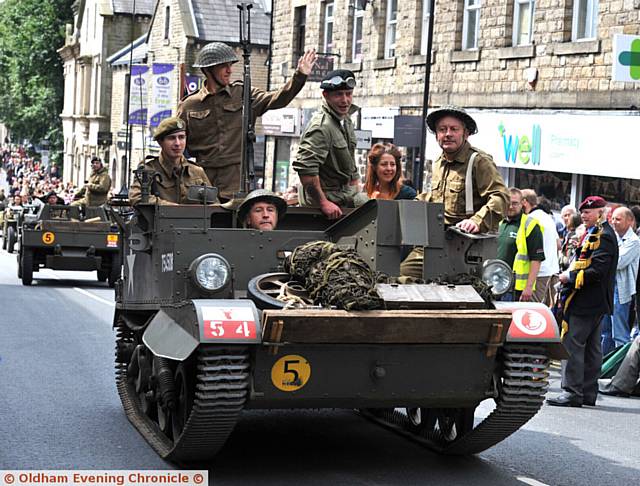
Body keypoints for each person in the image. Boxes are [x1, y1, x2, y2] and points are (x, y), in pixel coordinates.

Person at [177, 42, 317, 200]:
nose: (229, 70)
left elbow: (278, 99)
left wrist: (300, 76)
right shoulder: (189, 105)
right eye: (223, 66)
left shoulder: (243, 94)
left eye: (230, 65)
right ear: (208, 69)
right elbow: (175, 142)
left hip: (238, 183)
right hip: (202, 183)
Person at [399, 105, 509, 278]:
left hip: (467, 245)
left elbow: (501, 197)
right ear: (437, 135)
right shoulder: (438, 163)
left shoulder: (479, 161)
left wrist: (476, 221)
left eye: (453, 129)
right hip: (434, 240)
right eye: (442, 130)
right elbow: (436, 197)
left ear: (465, 134)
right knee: (400, 278)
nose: (447, 134)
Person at [547, 196, 618, 407]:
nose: (584, 215)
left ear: (600, 212)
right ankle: (587, 392)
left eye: (589, 212)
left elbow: (597, 270)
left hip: (586, 299)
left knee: (572, 344)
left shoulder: (603, 235)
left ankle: (572, 392)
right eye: (583, 212)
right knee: (591, 348)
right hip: (592, 301)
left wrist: (568, 277)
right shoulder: (596, 233)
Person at [294, 69, 368, 219]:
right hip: (324, 205)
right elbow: (307, 171)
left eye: (348, 94)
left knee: (369, 205)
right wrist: (323, 203)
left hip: (343, 197)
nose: (345, 100)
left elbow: (349, 160)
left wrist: (355, 184)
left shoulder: (344, 119)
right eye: (338, 94)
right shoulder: (321, 127)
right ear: (325, 96)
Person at [129, 117, 212, 205]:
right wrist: (172, 208)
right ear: (160, 142)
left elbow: (213, 205)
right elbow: (137, 197)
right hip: (158, 218)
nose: (177, 143)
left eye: (181, 137)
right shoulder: (149, 169)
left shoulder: (196, 171)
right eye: (171, 138)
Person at [600, 207, 640, 355]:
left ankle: (619, 371)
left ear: (630, 221)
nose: (613, 222)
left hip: (621, 291)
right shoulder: (612, 237)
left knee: (619, 333)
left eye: (618, 219)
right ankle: (604, 367)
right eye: (613, 218)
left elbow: (619, 262)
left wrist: (603, 258)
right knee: (605, 332)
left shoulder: (634, 241)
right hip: (608, 287)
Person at [498, 188, 545, 301]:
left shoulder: (530, 225)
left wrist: (528, 288)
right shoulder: (499, 223)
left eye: (515, 203)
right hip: (496, 283)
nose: (510, 206)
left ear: (522, 203)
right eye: (508, 203)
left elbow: (536, 260)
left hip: (516, 289)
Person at [521, 189, 560, 305]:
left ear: (524, 202)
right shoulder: (548, 217)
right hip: (552, 271)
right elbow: (558, 244)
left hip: (539, 274)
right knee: (548, 312)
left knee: (533, 313)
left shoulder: (530, 220)